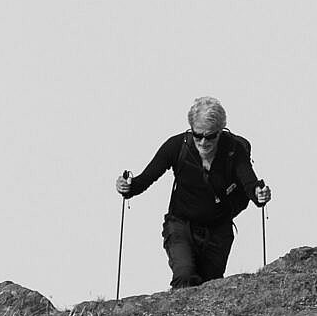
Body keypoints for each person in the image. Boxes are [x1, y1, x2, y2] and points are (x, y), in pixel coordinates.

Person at [116, 97, 272, 288]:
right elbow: (144, 180)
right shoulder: (177, 146)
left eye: (210, 136)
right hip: (181, 226)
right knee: (184, 276)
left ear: (221, 131)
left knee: (210, 287)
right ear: (191, 129)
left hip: (218, 232)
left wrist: (259, 194)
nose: (203, 142)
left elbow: (249, 183)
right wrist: (127, 187)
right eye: (198, 135)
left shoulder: (234, 149)